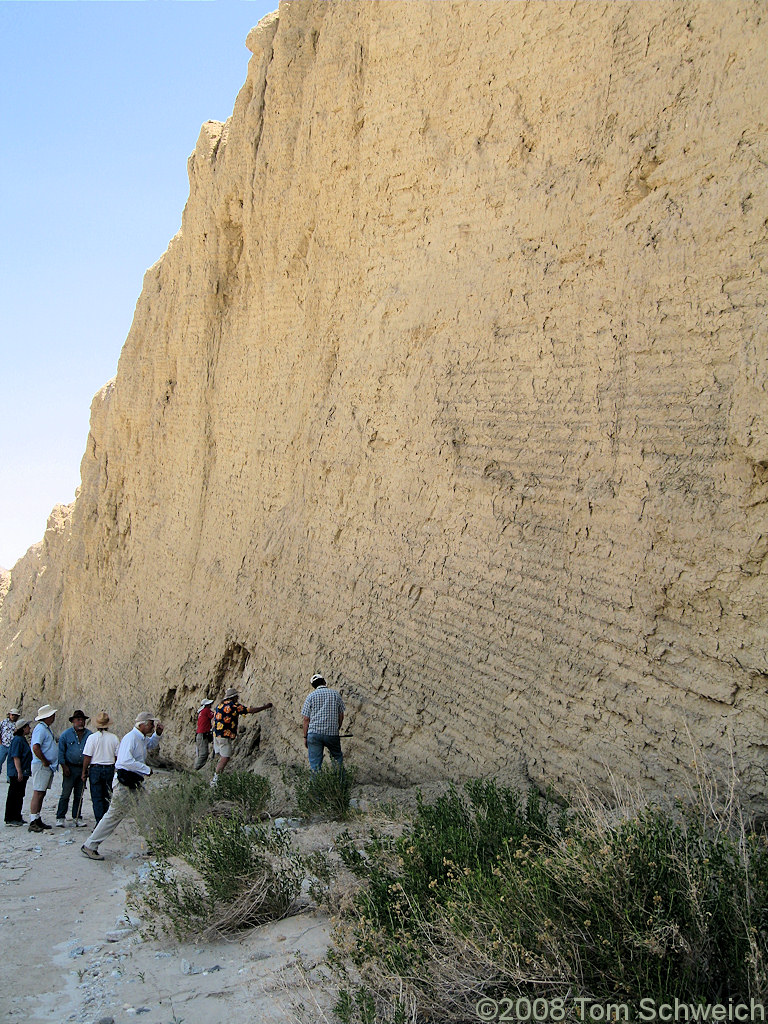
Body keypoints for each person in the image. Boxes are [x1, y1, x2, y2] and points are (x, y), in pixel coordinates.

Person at [80, 711, 164, 861]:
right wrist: (146, 769)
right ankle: (90, 845)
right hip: (125, 783)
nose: (152, 726)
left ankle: (154, 844)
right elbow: (125, 761)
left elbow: (150, 745)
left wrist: (157, 734)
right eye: (151, 724)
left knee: (147, 810)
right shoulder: (131, 738)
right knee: (113, 815)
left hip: (134, 781)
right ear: (143, 724)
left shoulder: (140, 738)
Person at [210, 688, 273, 787]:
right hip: (224, 735)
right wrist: (265, 706)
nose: (238, 698)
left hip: (216, 733)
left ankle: (217, 773)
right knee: (225, 757)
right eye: (237, 696)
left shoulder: (220, 705)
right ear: (233, 697)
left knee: (221, 755)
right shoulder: (233, 706)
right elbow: (250, 710)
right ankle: (216, 780)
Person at [301, 673, 345, 772]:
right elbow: (341, 715)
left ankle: (316, 787)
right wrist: (337, 728)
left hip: (314, 734)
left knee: (315, 765)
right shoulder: (335, 694)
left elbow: (306, 719)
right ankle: (341, 784)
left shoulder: (310, 696)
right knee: (337, 758)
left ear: (313, 686)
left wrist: (305, 737)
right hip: (332, 733)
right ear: (324, 681)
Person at [81, 711, 119, 823]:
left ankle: (99, 821)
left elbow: (87, 756)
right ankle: (105, 822)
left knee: (97, 797)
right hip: (109, 768)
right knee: (107, 796)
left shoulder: (92, 738)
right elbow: (117, 756)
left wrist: (84, 771)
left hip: (95, 769)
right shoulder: (114, 738)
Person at [56, 710, 92, 827]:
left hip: (83, 768)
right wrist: (64, 766)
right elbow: (61, 752)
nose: (81, 722)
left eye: (82, 720)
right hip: (70, 767)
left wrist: (87, 769)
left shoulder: (89, 735)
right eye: (78, 720)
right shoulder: (66, 735)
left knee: (79, 794)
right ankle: (60, 817)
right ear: (73, 721)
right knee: (65, 793)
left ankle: (77, 817)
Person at [29, 704, 59, 833]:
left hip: (45, 765)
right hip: (42, 765)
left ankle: (37, 818)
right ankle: (33, 820)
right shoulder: (41, 729)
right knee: (38, 792)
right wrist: (44, 761)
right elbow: (36, 747)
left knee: (41, 792)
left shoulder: (45, 729)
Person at [4, 718, 32, 825]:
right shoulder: (18, 740)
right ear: (23, 728)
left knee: (19, 794)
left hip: (21, 772)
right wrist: (19, 772)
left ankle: (16, 816)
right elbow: (16, 756)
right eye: (27, 726)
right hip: (17, 773)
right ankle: (11, 818)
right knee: (14, 795)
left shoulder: (21, 739)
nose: (29, 728)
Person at [194, 698, 214, 770]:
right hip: (203, 734)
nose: (211, 706)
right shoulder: (206, 711)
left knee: (200, 754)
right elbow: (214, 716)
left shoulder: (201, 712)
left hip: (199, 734)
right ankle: (196, 770)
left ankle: (197, 769)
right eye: (209, 705)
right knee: (203, 754)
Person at [0, 707, 21, 774]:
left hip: (12, 746)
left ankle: (10, 778)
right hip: (3, 745)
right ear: (9, 715)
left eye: (15, 715)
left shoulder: (18, 724)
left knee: (11, 763)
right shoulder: (3, 722)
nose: (13, 716)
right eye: (12, 715)